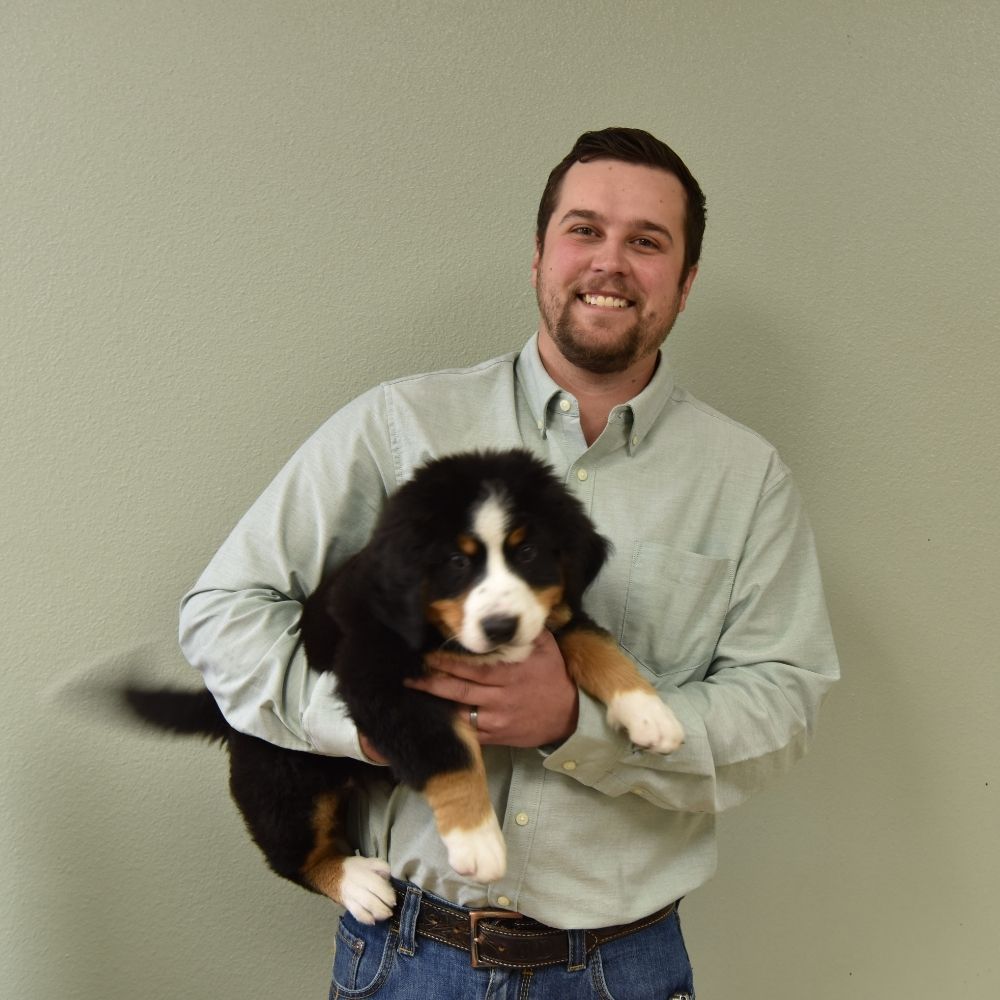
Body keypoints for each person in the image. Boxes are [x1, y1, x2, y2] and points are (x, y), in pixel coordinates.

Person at [179, 127, 839, 999]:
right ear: (538, 255)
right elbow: (223, 610)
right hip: (411, 955)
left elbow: (780, 708)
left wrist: (578, 724)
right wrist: (358, 726)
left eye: (648, 241)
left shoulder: (746, 479)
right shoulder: (396, 426)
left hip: (625, 966)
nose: (610, 262)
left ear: (684, 282)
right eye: (584, 230)